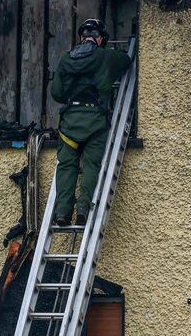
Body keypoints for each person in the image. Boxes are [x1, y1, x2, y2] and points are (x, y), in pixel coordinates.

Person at [51, 19, 131, 226]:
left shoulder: (66, 59)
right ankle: (83, 208)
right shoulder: (105, 56)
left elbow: (57, 93)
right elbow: (126, 61)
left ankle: (62, 212)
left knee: (67, 165)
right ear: (101, 38)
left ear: (81, 37)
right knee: (91, 165)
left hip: (69, 123)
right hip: (95, 121)